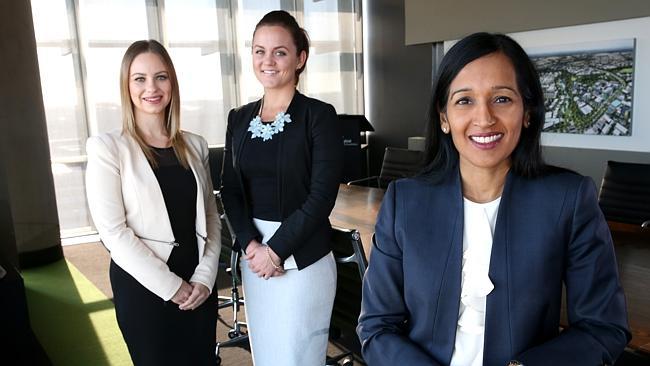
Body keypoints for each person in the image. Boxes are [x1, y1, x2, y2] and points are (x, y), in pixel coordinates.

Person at [357, 32, 630, 366]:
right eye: (464, 100)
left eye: (502, 99)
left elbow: (602, 328)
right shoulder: (405, 202)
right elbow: (376, 327)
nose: (484, 118)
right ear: (444, 118)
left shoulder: (568, 200)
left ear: (527, 112)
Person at [85, 40, 221, 365]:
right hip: (145, 288)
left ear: (172, 82)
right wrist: (172, 287)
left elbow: (211, 219)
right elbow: (114, 234)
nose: (152, 88)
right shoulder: (108, 149)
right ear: (126, 86)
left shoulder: (195, 145)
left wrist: (204, 277)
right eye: (140, 78)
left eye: (161, 77)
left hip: (199, 282)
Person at [220, 10, 343, 366]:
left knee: (298, 356)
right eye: (259, 51)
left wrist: (275, 251)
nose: (267, 61)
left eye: (280, 52)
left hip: (302, 260)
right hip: (254, 258)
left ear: (300, 57)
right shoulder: (238, 118)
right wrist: (252, 245)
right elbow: (230, 189)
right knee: (267, 354)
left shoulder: (318, 116)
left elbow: (321, 197)